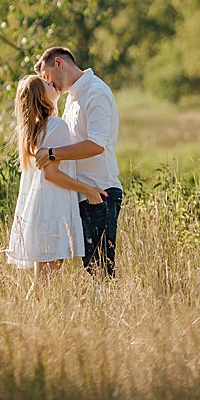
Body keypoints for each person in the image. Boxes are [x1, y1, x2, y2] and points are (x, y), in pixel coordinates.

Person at [33, 47, 124, 275]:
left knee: (101, 269)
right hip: (79, 193)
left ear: (58, 63)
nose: (47, 82)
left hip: (100, 191)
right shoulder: (72, 99)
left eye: (46, 76)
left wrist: (53, 153)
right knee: (89, 267)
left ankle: (111, 309)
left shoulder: (96, 92)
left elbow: (96, 144)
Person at [5, 74, 108, 277]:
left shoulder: (35, 130)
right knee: (47, 280)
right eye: (47, 84)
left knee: (42, 280)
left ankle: (32, 309)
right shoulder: (56, 126)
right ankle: (35, 310)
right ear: (41, 96)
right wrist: (88, 189)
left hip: (39, 211)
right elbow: (52, 175)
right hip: (52, 210)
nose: (53, 84)